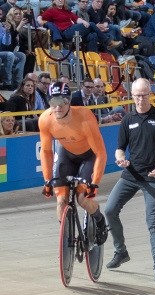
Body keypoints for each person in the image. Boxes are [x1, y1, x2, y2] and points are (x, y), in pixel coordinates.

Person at [105, 78, 155, 283]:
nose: (140, 99)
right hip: (130, 175)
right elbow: (120, 147)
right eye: (137, 95)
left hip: (152, 178)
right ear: (132, 95)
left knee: (153, 223)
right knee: (109, 210)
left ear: (150, 94)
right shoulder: (127, 120)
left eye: (144, 95)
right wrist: (120, 158)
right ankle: (121, 251)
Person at [38, 82, 108, 246]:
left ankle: (100, 222)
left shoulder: (84, 117)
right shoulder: (45, 120)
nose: (58, 107)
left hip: (88, 156)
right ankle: (66, 237)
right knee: (61, 199)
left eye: (63, 101)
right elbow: (46, 152)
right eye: (54, 103)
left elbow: (100, 153)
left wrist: (95, 183)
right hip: (66, 154)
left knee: (82, 198)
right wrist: (47, 180)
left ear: (69, 101)